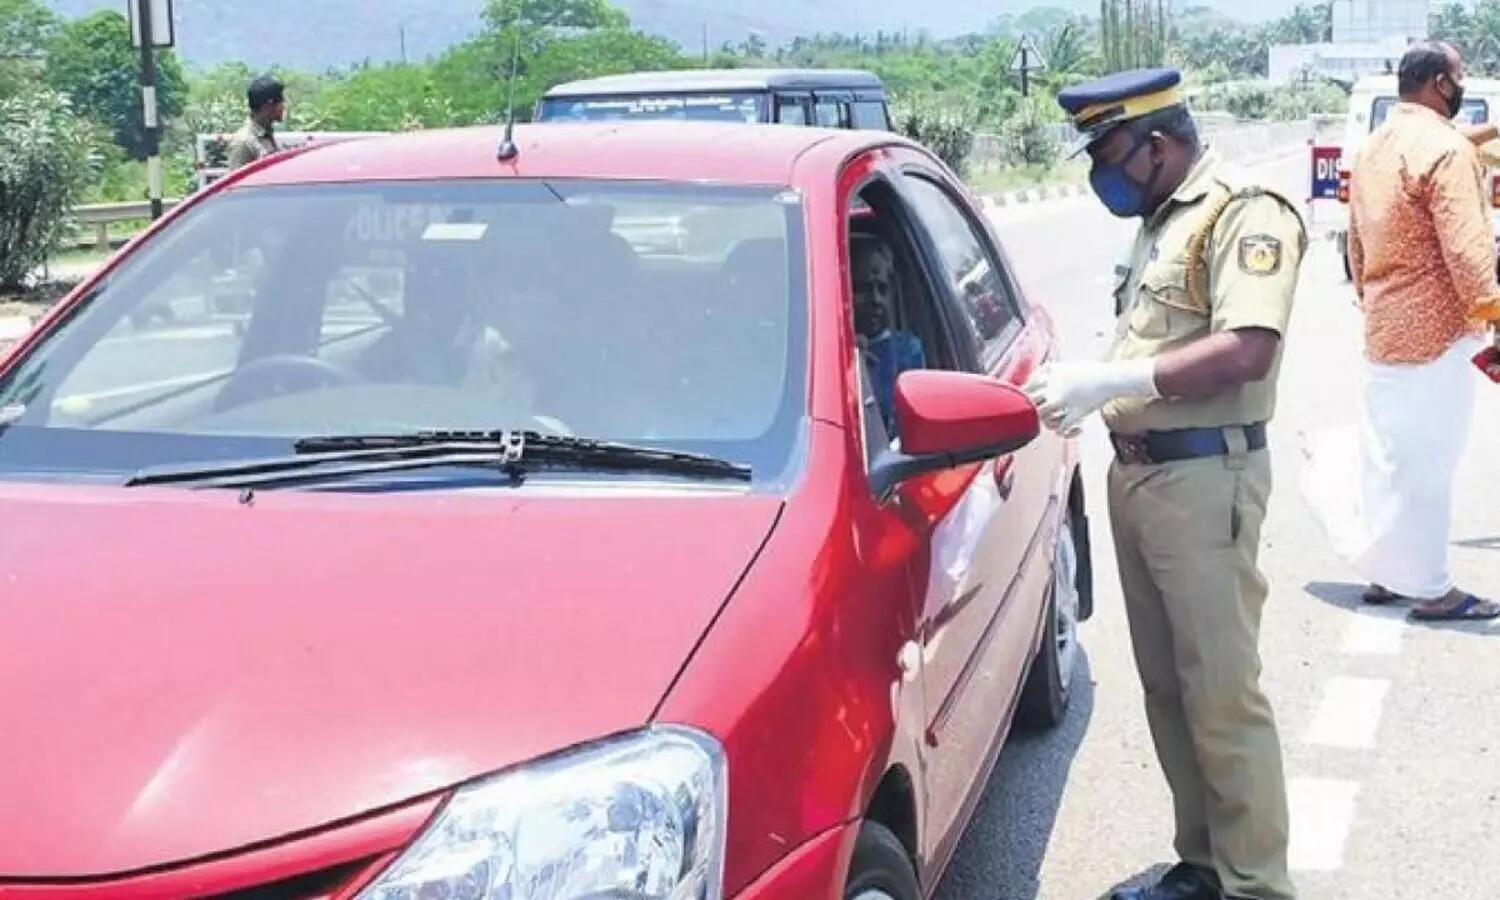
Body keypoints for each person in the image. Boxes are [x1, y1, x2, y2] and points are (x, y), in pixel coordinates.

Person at [1023, 67, 1307, 900]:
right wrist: (1092, 385)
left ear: (1159, 142)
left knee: (1221, 694)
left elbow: (1248, 347)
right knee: (1169, 687)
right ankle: (1205, 863)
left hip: (1204, 479)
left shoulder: (1242, 211)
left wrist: (1113, 385)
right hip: (1143, 478)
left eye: (1110, 151)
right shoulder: (1158, 219)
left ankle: (1257, 885)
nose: (1100, 171)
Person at [1316, 41, 1500, 620]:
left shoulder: (1375, 146)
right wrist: (1493, 315)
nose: (1462, 86)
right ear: (1441, 85)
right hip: (1438, 334)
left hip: (1386, 325)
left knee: (1388, 456)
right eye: (1460, 78)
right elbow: (1469, 249)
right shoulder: (1444, 151)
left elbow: (1355, 240)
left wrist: (1372, 299)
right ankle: (1430, 587)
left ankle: (1388, 575)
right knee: (1428, 462)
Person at [225, 75, 286, 171]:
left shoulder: (267, 135)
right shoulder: (244, 142)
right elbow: (238, 182)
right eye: (280, 102)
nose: (283, 107)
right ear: (267, 105)